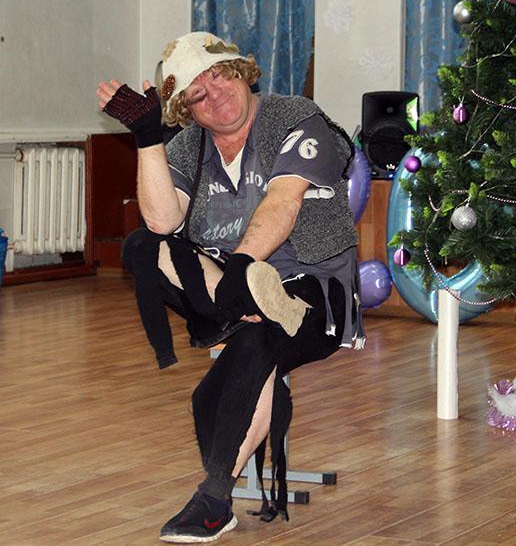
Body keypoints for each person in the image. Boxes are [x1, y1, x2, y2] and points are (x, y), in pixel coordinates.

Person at [97, 31, 363, 543]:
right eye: (197, 94)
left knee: (258, 340)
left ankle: (215, 499)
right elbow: (162, 221)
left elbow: (283, 203)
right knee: (141, 246)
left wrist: (242, 266)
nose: (215, 94)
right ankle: (238, 307)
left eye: (220, 76)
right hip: (229, 289)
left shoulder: (294, 117)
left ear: (241, 73)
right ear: (187, 111)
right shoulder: (189, 145)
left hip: (313, 290)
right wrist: (148, 138)